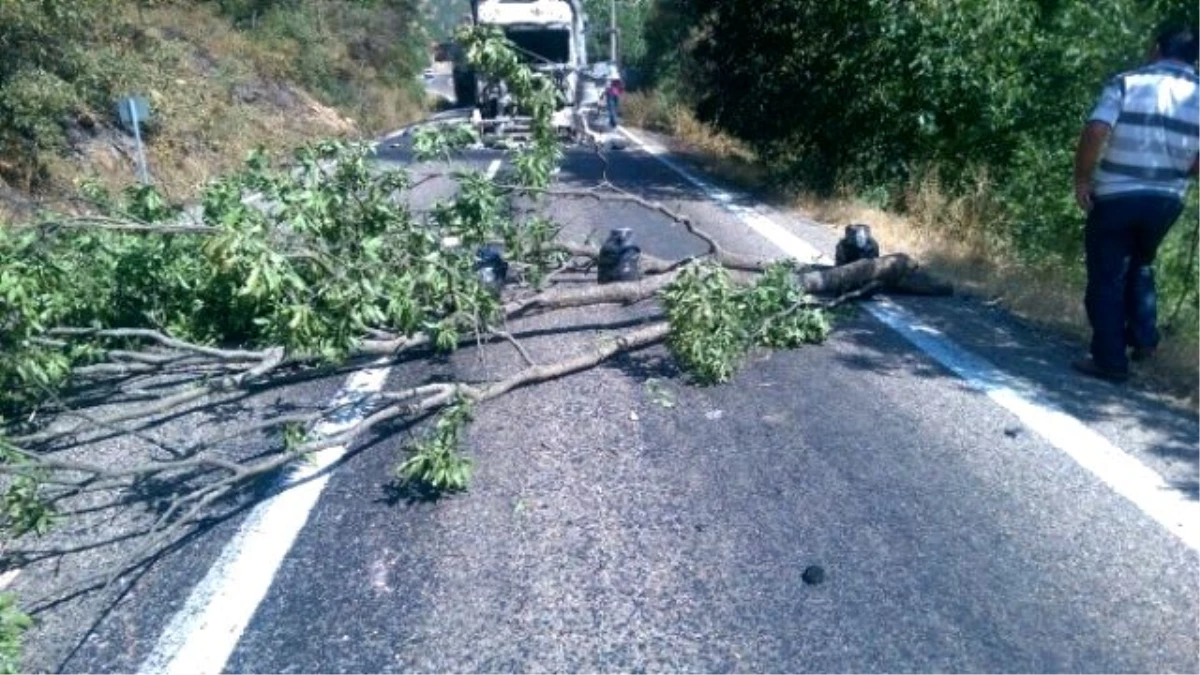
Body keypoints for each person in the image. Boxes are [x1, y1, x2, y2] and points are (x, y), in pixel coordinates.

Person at [1071, 24, 1200, 383]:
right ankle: (1144, 340)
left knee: (1108, 275)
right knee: (1140, 262)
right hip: (1166, 200)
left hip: (1117, 194)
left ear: (1156, 48)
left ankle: (1109, 360)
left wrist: (1082, 178)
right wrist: (1185, 169)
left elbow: (1097, 129)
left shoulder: (1128, 82)